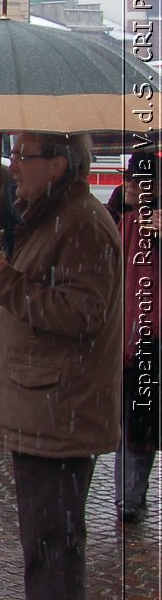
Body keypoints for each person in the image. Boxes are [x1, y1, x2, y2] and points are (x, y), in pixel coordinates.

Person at [0, 132, 122, 600]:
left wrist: (9, 283)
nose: (14, 168)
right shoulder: (51, 215)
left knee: (53, 528)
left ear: (59, 163)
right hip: (45, 403)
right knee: (41, 524)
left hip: (60, 405)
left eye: (24, 157)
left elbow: (81, 314)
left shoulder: (81, 223)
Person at [115, 151, 159, 523]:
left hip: (150, 340)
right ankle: (126, 496)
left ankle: (132, 496)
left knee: (140, 423)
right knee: (124, 422)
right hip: (123, 339)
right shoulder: (124, 222)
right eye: (129, 179)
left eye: (138, 181)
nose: (129, 185)